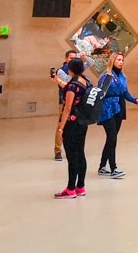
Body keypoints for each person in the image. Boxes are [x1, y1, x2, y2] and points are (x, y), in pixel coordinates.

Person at [97, 52, 138, 179]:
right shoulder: (107, 76)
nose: (121, 62)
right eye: (118, 60)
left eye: (122, 60)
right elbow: (100, 93)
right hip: (107, 109)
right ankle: (113, 168)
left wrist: (134, 100)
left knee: (111, 138)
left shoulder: (122, 76)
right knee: (112, 138)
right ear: (113, 61)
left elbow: (125, 93)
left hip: (119, 108)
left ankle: (102, 166)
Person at [55, 57, 92, 198]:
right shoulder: (86, 82)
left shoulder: (72, 86)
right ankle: (80, 186)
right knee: (80, 153)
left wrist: (60, 128)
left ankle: (70, 188)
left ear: (70, 69)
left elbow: (67, 108)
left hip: (72, 123)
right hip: (83, 122)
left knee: (72, 156)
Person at [51, 49, 79, 161]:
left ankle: (73, 148)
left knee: (76, 126)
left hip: (77, 102)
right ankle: (58, 150)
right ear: (66, 59)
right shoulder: (61, 71)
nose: (73, 60)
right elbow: (68, 84)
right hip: (64, 101)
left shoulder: (78, 70)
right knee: (61, 125)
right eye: (71, 58)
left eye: (75, 58)